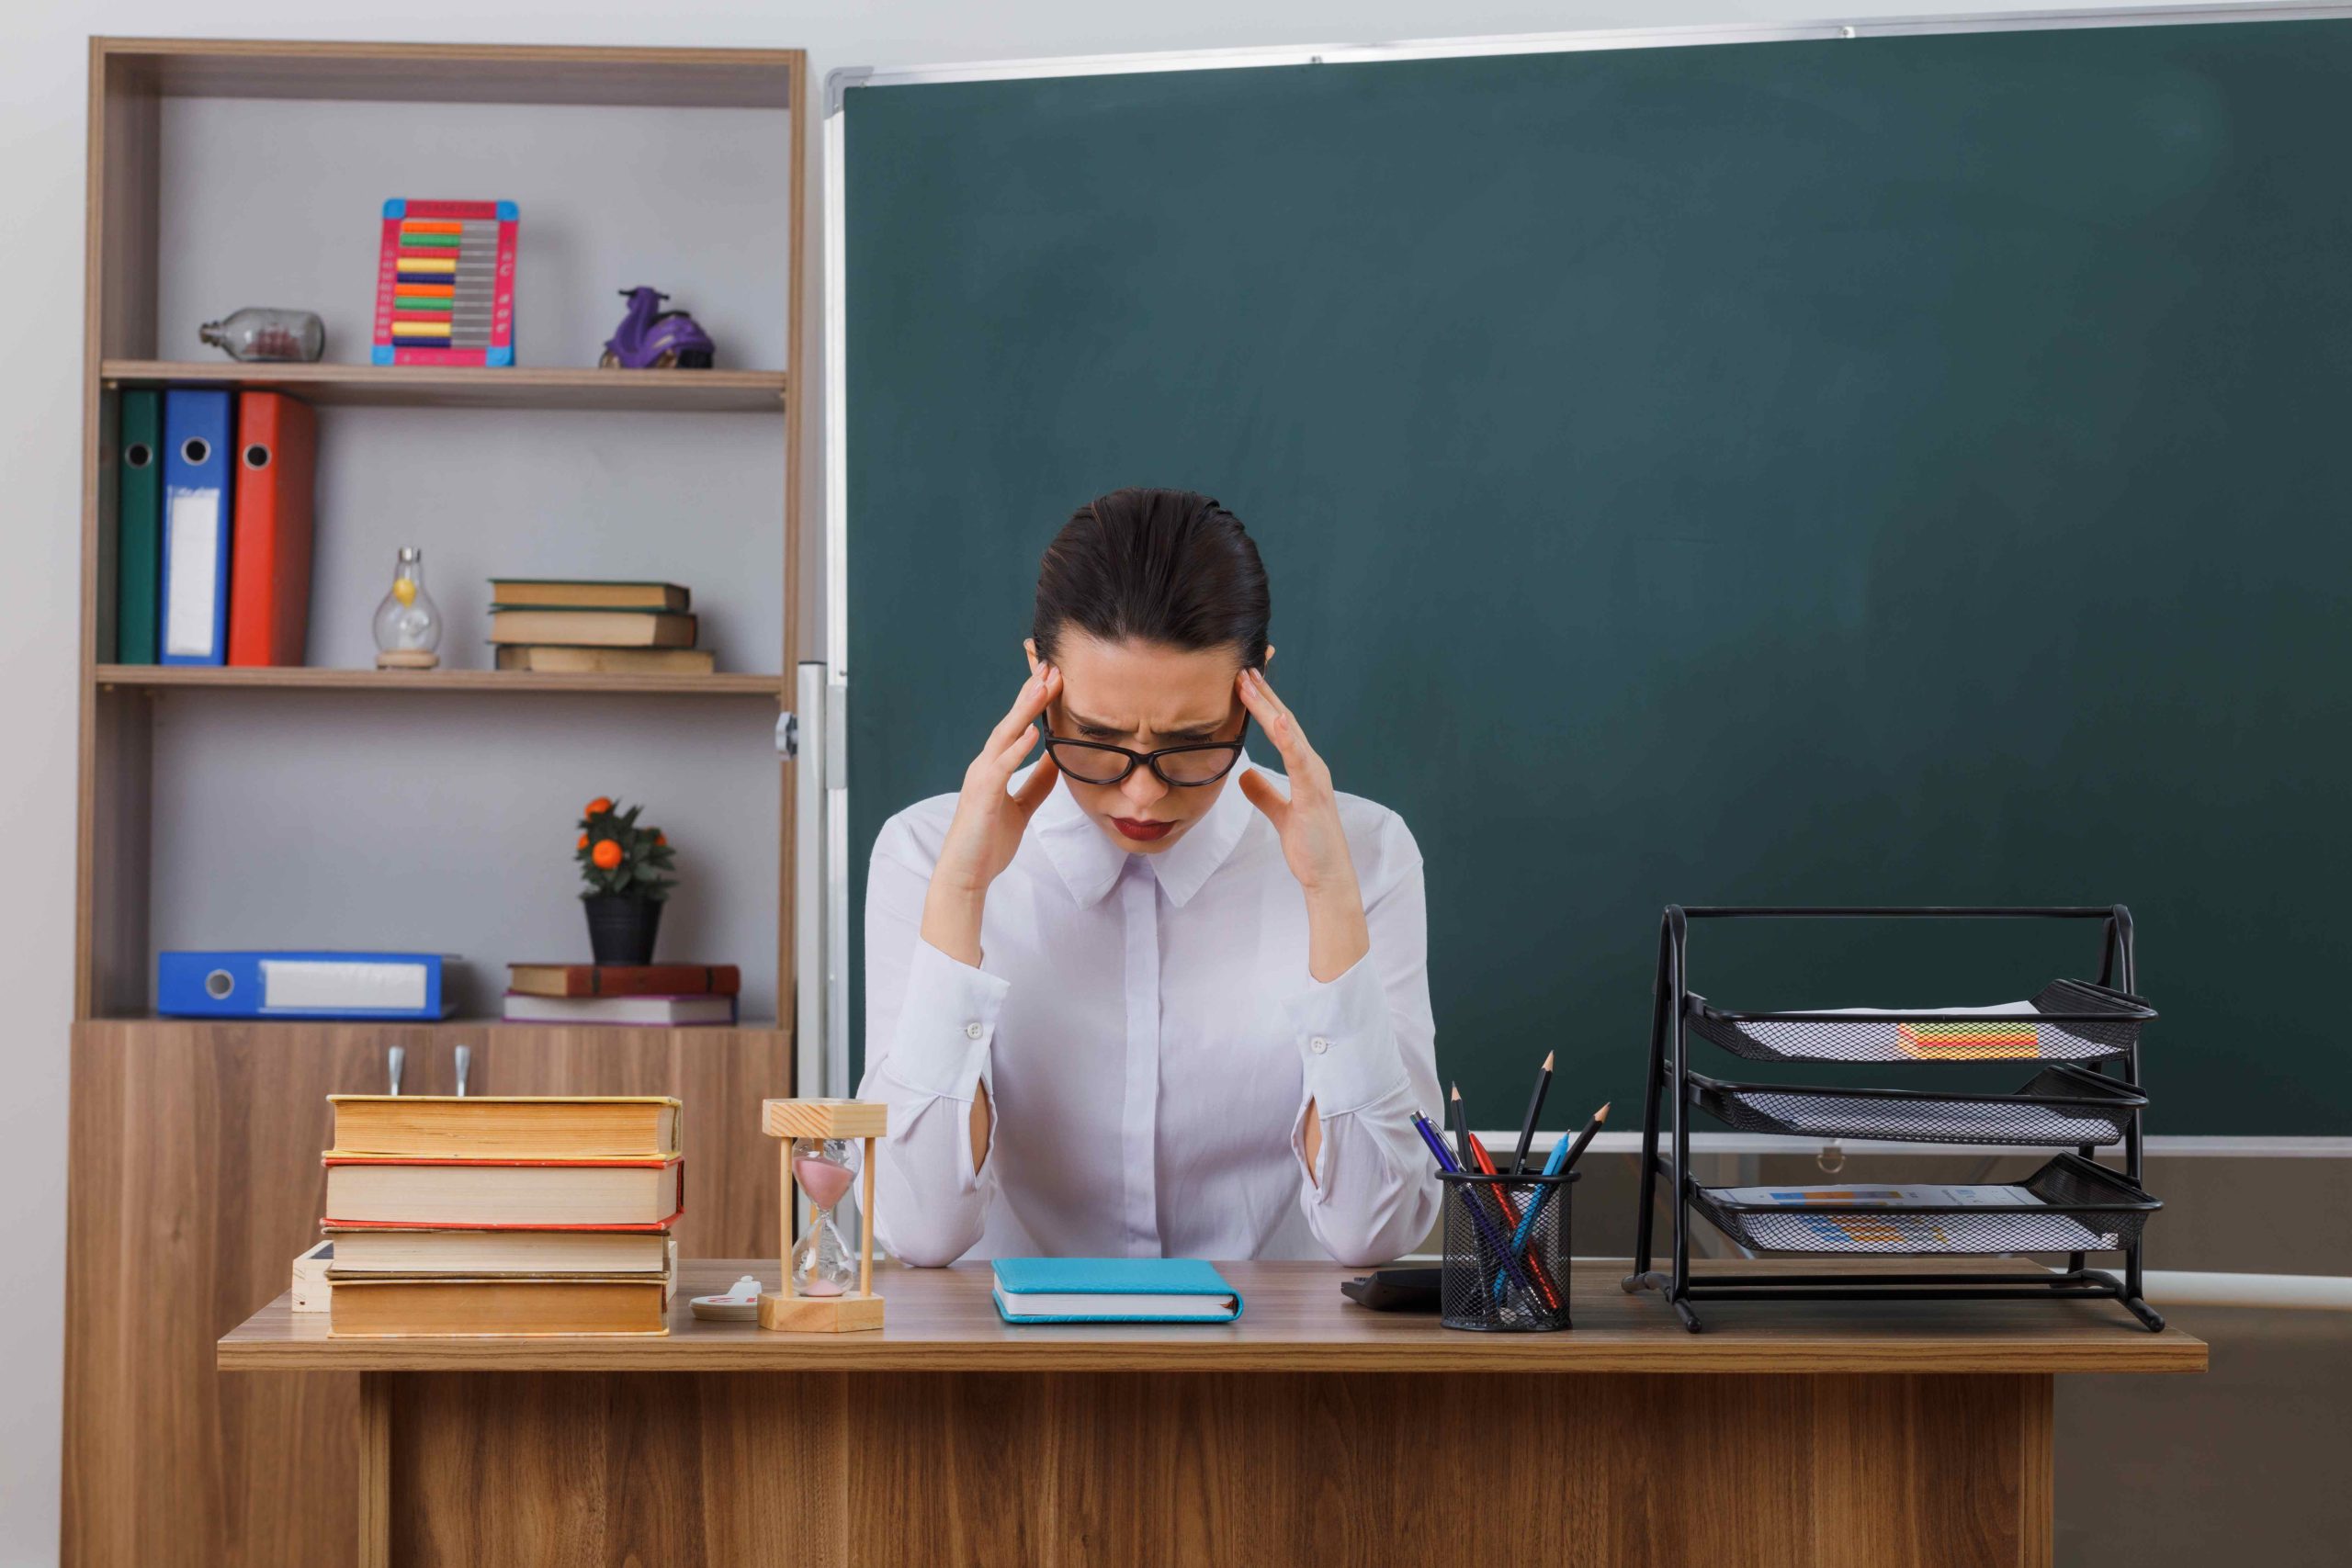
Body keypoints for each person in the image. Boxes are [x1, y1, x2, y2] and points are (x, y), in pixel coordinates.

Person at [857, 488, 1440, 1267]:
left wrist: (1331, 899)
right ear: (1039, 680)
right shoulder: (924, 854)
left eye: (1192, 743)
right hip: (1007, 1376)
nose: (1142, 792)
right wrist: (960, 899)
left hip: (1275, 1375)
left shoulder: (1367, 855)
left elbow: (1377, 1230)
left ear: (1255, 689)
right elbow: (916, 1230)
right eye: (1096, 739)